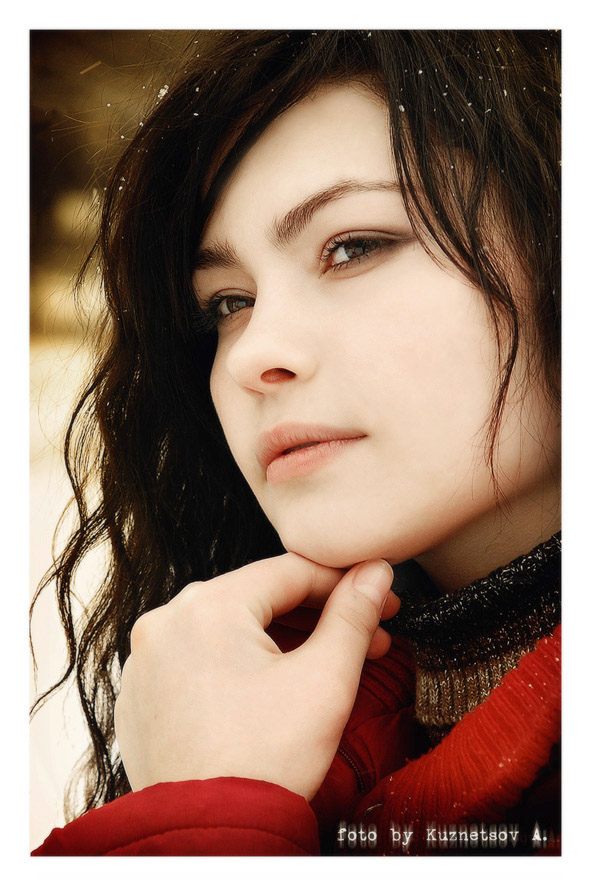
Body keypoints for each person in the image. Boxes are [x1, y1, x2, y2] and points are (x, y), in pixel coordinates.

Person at [31, 29, 561, 856]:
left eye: (353, 247)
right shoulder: (274, 725)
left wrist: (199, 819)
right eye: (225, 303)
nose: (250, 355)